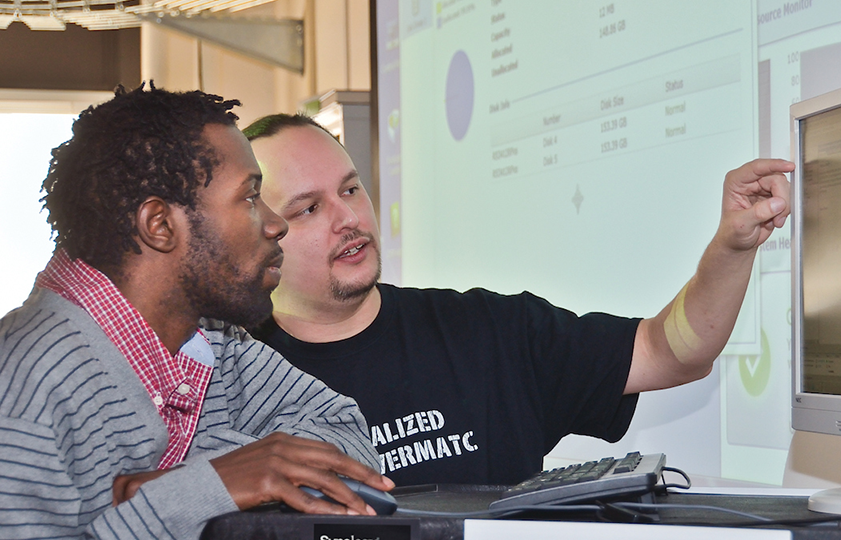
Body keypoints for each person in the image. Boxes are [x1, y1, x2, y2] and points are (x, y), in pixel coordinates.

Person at [243, 113, 794, 487]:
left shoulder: (484, 330)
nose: (348, 218)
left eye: (349, 188)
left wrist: (731, 246)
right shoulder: (225, 383)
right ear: (257, 232)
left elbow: (670, 352)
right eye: (308, 209)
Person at [0, 87, 394, 540]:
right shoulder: (23, 393)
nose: (276, 224)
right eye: (249, 198)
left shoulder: (209, 339)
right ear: (161, 225)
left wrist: (183, 485)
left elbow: (347, 436)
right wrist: (210, 487)